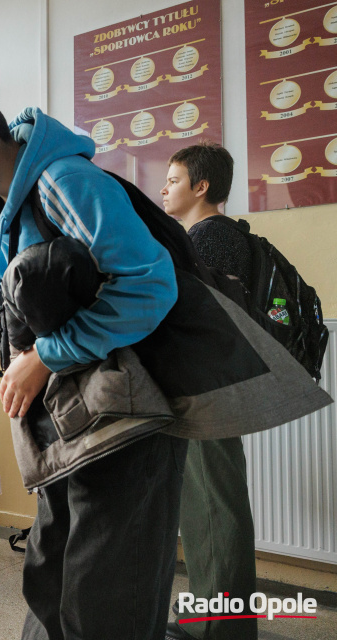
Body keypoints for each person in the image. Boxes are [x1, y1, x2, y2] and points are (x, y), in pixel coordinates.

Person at [0, 74, 186, 640]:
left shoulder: (66, 181)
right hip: (63, 433)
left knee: (106, 604)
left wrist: (46, 355)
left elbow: (151, 286)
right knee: (49, 587)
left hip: (125, 427)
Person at [161, 142, 258, 640]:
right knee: (210, 502)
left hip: (209, 390)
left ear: (202, 187)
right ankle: (216, 618)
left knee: (213, 504)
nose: (164, 188)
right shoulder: (216, 237)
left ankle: (219, 627)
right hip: (216, 387)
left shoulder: (208, 238)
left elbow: (201, 321)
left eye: (174, 180)